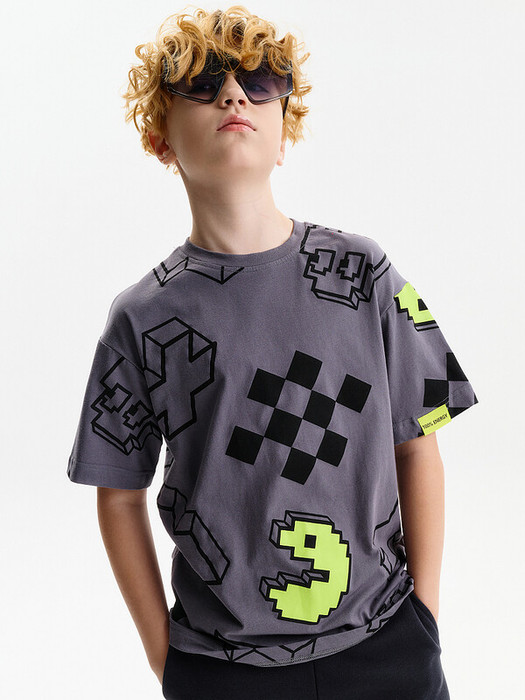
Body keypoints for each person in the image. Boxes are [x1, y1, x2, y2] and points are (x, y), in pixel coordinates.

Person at [67, 5, 479, 699]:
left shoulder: (362, 273)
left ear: (283, 134)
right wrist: (165, 659)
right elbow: (118, 494)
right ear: (160, 138)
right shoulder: (142, 319)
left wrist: (426, 616)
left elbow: (418, 443)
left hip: (387, 641)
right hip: (220, 667)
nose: (233, 94)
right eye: (201, 84)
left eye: (259, 84)